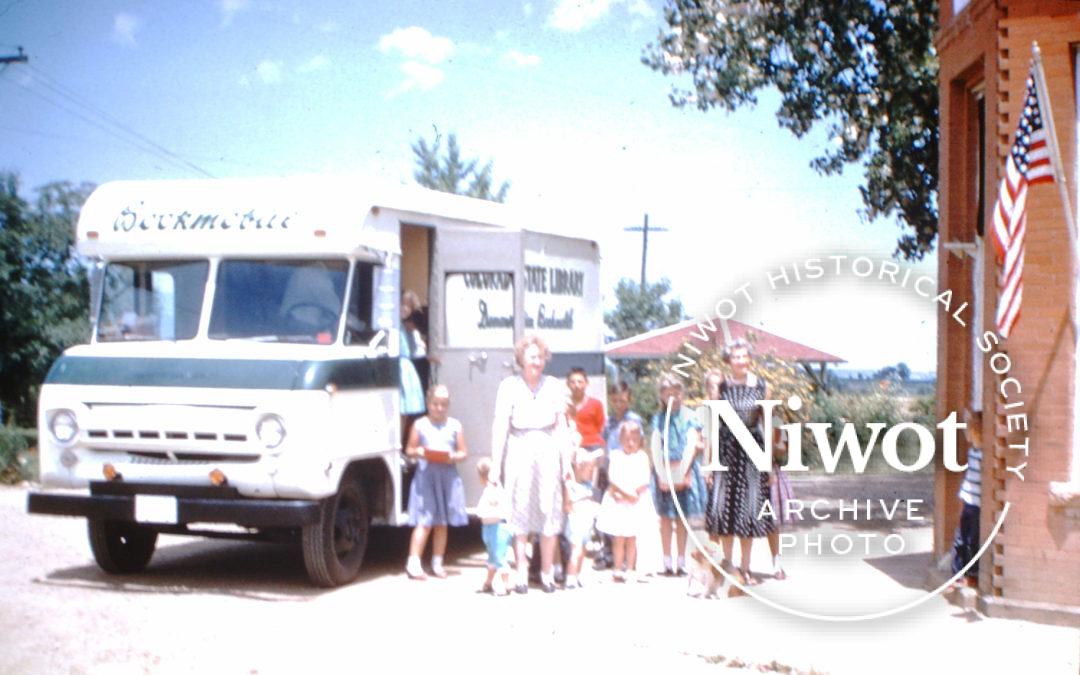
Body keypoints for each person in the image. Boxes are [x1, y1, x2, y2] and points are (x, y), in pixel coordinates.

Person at [491, 334, 572, 594]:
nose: (536, 361)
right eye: (531, 356)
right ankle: (522, 572)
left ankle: (547, 573)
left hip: (547, 446)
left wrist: (566, 461)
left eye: (540, 357)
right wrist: (495, 463)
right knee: (520, 507)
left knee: (549, 508)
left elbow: (561, 426)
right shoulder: (508, 386)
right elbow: (501, 425)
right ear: (521, 360)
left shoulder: (554, 385)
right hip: (519, 446)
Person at [704, 339, 775, 586]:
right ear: (728, 360)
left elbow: (767, 425)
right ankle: (728, 566)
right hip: (725, 451)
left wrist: (770, 463)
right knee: (725, 511)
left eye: (744, 356)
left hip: (752, 453)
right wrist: (710, 461)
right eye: (736, 357)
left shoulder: (762, 386)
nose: (741, 361)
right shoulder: (719, 386)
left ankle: (745, 569)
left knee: (748, 511)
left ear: (750, 359)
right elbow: (712, 424)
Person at [404, 384, 468, 580]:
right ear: (428, 403)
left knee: (441, 522)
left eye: (443, 405)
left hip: (447, 475)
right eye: (435, 404)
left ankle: (437, 563)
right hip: (426, 476)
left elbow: (463, 452)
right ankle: (413, 563)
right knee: (425, 519)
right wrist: (420, 452)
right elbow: (409, 450)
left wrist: (454, 457)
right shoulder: (420, 424)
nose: (439, 408)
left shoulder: (455, 425)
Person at [650, 373, 705, 576]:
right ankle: (666, 561)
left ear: (681, 393)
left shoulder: (690, 417)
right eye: (667, 394)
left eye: (676, 393)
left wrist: (682, 469)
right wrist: (660, 470)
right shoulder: (658, 418)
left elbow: (693, 442)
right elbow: (655, 443)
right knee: (665, 517)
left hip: (685, 467)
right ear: (662, 396)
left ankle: (681, 562)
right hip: (663, 467)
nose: (672, 397)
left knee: (682, 517)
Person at [596, 418, 652, 582]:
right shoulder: (616, 455)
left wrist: (634, 493)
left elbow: (645, 479)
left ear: (640, 440)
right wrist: (622, 493)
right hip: (619, 500)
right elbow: (612, 477)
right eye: (627, 439)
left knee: (632, 537)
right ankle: (617, 568)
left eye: (634, 440)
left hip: (636, 502)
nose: (630, 443)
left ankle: (630, 568)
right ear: (620, 440)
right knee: (619, 537)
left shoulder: (642, 456)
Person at [951, 407, 983, 588]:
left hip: (975, 502)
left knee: (970, 539)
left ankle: (969, 575)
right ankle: (959, 574)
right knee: (963, 538)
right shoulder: (975, 452)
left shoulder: (981, 454)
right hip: (970, 500)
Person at [562, 447, 600, 589]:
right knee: (576, 551)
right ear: (578, 467)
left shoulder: (588, 485)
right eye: (587, 468)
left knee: (583, 551)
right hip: (576, 523)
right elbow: (567, 506)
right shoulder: (571, 485)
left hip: (586, 523)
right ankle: (570, 577)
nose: (590, 471)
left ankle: (577, 575)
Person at [475, 457, 513, 596]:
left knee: (499, 556)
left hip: (499, 528)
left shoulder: (497, 490)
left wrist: (492, 486)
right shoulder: (488, 490)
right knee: (492, 556)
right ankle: (489, 582)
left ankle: (506, 583)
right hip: (489, 528)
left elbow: (494, 501)